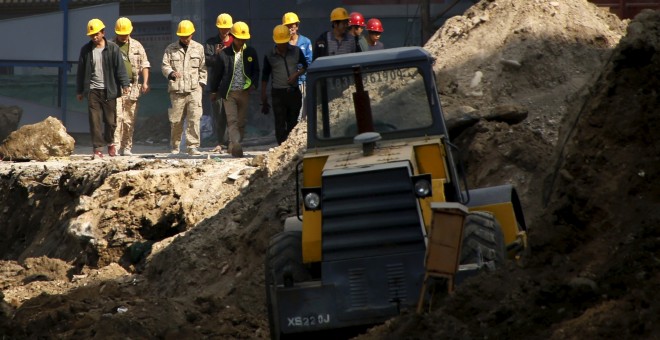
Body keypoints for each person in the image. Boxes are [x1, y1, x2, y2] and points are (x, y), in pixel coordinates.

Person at [76, 18, 129, 159]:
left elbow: (120, 68)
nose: (94, 37)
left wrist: (125, 84)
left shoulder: (113, 48)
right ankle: (98, 148)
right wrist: (80, 90)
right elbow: (81, 71)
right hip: (93, 90)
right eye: (92, 35)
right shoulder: (86, 50)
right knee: (94, 121)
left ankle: (110, 142)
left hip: (109, 90)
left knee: (110, 121)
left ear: (103, 32)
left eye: (97, 34)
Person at [209, 22, 259, 157]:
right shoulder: (224, 54)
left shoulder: (250, 52)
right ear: (233, 37)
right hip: (228, 93)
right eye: (239, 38)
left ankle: (233, 143)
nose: (241, 41)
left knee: (241, 122)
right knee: (232, 120)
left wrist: (254, 84)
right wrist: (214, 91)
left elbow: (256, 71)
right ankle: (236, 144)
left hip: (244, 92)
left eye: (244, 39)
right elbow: (217, 74)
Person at [161, 19, 207, 155]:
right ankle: (175, 147)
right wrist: (171, 73)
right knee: (176, 120)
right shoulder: (170, 49)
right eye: (182, 36)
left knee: (194, 118)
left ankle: (192, 146)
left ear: (192, 34)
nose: (185, 39)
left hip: (194, 89)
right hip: (177, 90)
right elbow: (164, 65)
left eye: (187, 36)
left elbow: (203, 68)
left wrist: (201, 84)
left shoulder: (199, 48)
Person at [261, 25, 308, 145]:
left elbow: (305, 66)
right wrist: (263, 94)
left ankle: (291, 144)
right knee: (280, 122)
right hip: (278, 93)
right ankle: (282, 145)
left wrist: (296, 75)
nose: (282, 46)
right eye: (280, 43)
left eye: (284, 43)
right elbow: (265, 76)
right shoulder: (269, 55)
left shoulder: (296, 51)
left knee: (293, 121)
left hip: (293, 92)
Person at [112, 17, 151, 156]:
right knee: (116, 118)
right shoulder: (110, 45)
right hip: (115, 87)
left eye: (125, 34)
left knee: (129, 119)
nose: (123, 36)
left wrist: (145, 82)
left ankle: (126, 147)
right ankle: (115, 147)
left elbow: (144, 64)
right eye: (121, 34)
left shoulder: (137, 46)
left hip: (133, 87)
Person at [204, 13, 234, 153]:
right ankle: (221, 143)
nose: (224, 30)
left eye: (227, 28)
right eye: (222, 28)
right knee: (219, 114)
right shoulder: (211, 43)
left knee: (233, 115)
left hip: (233, 84)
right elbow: (207, 61)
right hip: (217, 85)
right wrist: (216, 54)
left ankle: (234, 142)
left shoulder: (236, 41)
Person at [282, 11, 312, 121]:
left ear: (297, 26)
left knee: (302, 112)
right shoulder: (282, 43)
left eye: (292, 26)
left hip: (302, 82)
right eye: (288, 26)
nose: (291, 29)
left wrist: (297, 73)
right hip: (287, 84)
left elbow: (309, 62)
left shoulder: (306, 42)